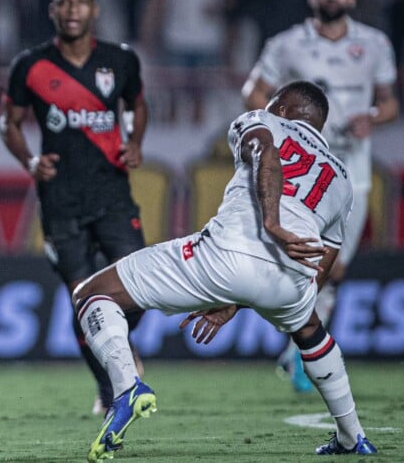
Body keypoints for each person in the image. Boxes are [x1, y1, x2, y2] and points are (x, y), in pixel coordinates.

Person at [72, 81, 377, 461]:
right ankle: (352, 436)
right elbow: (323, 264)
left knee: (90, 293)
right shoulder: (342, 178)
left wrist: (272, 223)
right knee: (311, 330)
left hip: (227, 254)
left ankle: (125, 388)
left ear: (281, 108)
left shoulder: (262, 120)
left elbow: (264, 150)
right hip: (293, 279)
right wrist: (245, 300)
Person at [242, 0, 399, 392]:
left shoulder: (374, 44)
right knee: (303, 260)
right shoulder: (287, 44)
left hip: (353, 173)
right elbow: (252, 92)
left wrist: (371, 118)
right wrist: (278, 128)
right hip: (304, 173)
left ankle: (297, 347)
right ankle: (302, 346)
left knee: (336, 269)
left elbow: (389, 104)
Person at [0, 0, 149, 416]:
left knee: (137, 291)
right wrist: (28, 160)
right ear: (52, 10)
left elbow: (138, 104)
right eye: (64, 2)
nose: (72, 10)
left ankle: (122, 343)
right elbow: (8, 121)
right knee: (82, 299)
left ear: (95, 10)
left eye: (81, 2)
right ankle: (109, 389)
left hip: (113, 194)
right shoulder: (31, 65)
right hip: (60, 201)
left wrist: (136, 140)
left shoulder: (121, 61)